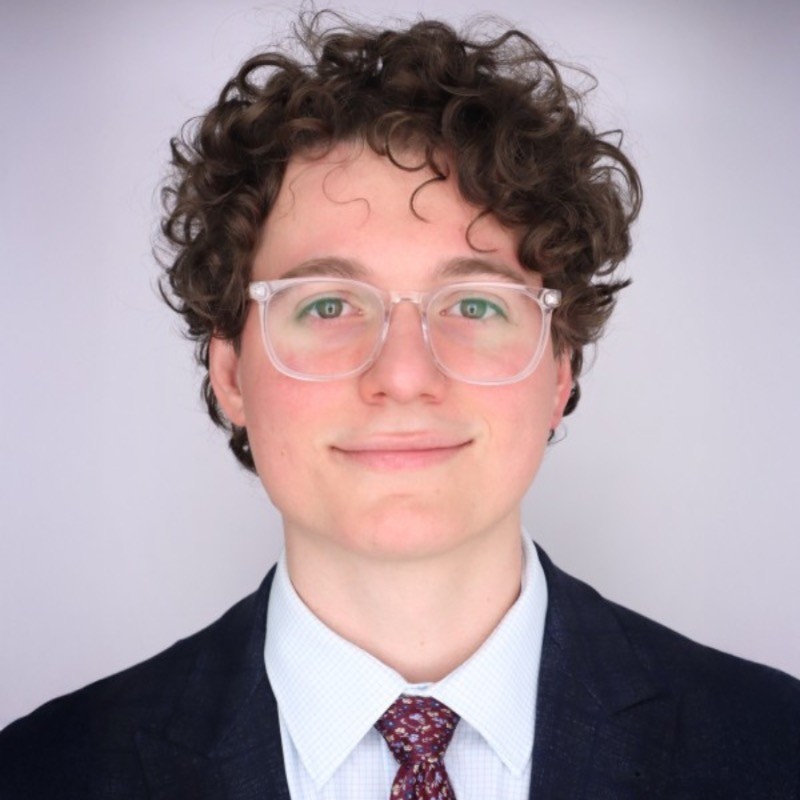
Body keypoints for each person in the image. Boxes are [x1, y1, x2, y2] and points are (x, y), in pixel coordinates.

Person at [1, 11, 798, 799]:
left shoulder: (775, 749)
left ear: (560, 369)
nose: (405, 375)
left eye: (476, 304)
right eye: (327, 304)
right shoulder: (41, 774)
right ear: (232, 373)